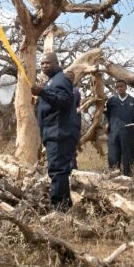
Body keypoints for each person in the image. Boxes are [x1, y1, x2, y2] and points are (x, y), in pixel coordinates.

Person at [32, 53, 77, 211]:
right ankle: (65, 205)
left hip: (60, 133)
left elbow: (64, 101)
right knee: (58, 170)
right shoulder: (51, 81)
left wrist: (42, 93)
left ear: (56, 63)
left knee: (58, 170)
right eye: (42, 63)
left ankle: (59, 208)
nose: (44, 65)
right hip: (52, 133)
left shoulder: (61, 79)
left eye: (47, 63)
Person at [104, 79, 134, 176]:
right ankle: (114, 181)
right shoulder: (111, 101)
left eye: (121, 86)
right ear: (115, 88)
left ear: (126, 87)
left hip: (128, 134)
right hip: (113, 134)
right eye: (117, 87)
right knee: (113, 158)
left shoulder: (133, 101)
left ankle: (128, 180)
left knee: (128, 159)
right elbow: (106, 115)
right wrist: (106, 123)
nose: (119, 88)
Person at [64, 71, 82, 171]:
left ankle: (73, 173)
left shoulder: (75, 91)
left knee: (71, 152)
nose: (69, 79)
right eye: (67, 78)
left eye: (71, 78)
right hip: (61, 125)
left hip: (72, 125)